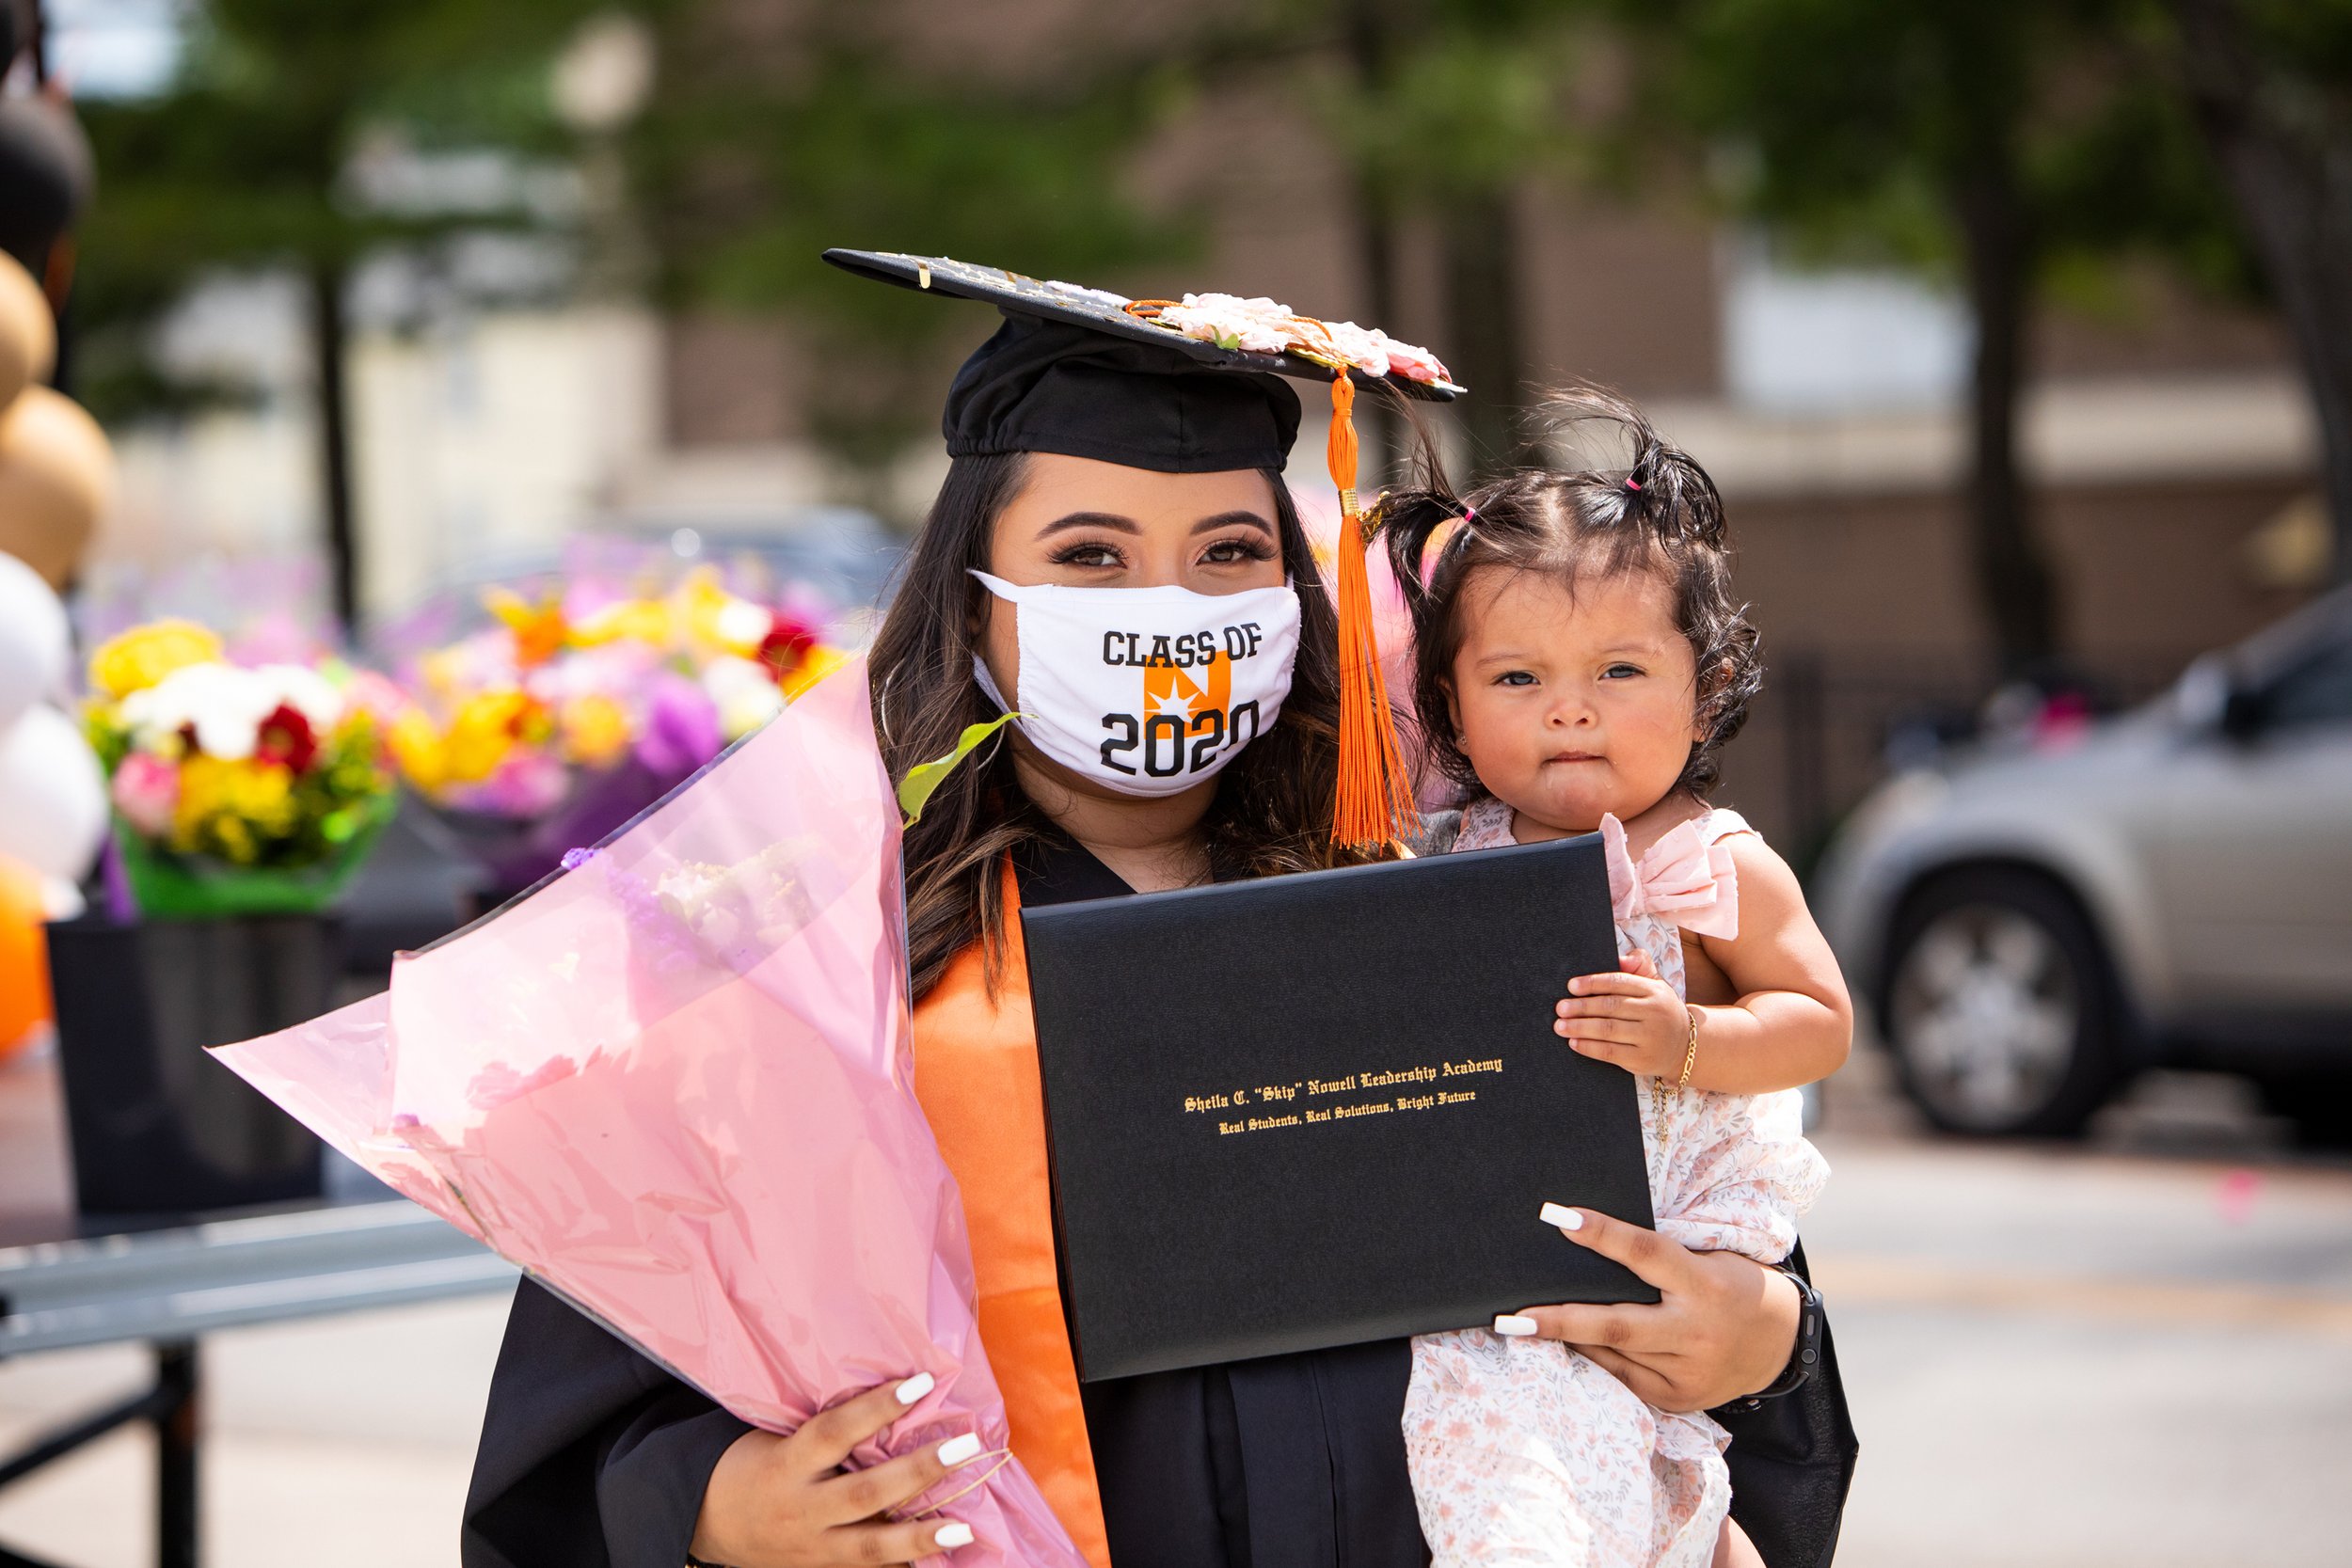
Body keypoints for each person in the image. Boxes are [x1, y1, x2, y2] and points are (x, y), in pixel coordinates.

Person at [460, 256, 1853, 1568]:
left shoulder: (1429, 888)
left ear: (1292, 592)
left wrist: (1763, 1339)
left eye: (1230, 547)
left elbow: (1689, 1201)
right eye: (1091, 555)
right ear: (976, 596)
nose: (1168, 607)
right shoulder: (825, 955)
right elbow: (596, 1410)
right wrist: (717, 1506)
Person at [1375, 390, 1851, 1567]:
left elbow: (1817, 1019)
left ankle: (1693, 1528)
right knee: (1494, 1422)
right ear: (1449, 705)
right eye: (1518, 680)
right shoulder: (1451, 854)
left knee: (1641, 1408)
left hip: (1678, 1214)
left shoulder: (1705, 856)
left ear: (1708, 680)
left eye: (1621, 669)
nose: (1571, 707)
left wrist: (1690, 1036)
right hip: (1523, 1220)